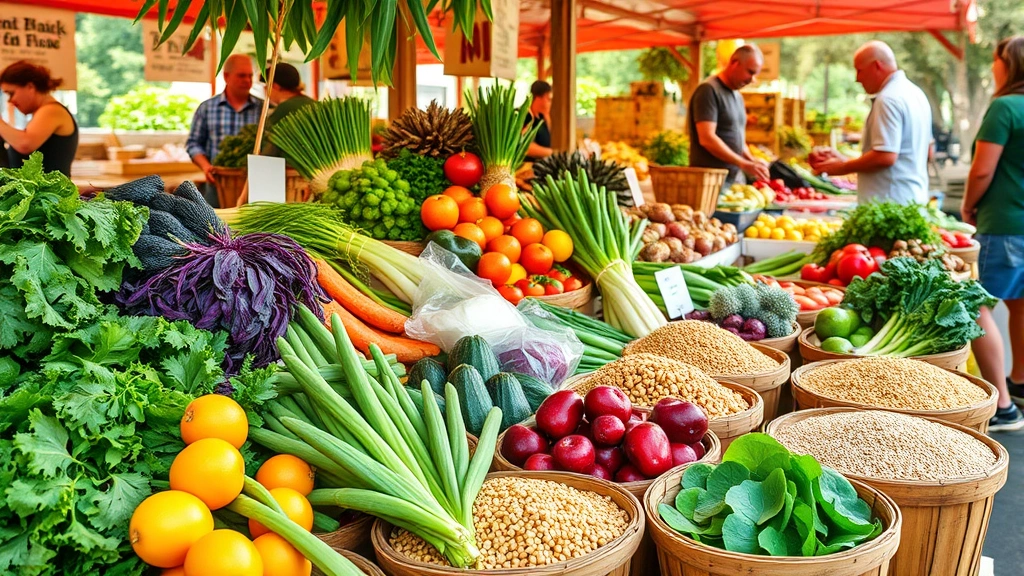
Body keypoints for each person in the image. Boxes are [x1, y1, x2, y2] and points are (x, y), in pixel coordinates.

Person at [960, 36, 1024, 431]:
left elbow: (983, 169)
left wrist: (968, 205)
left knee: (976, 305)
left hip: (1002, 225)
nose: (992, 66)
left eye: (996, 60)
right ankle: (1018, 385)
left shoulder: (1005, 107)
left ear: (1009, 64)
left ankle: (1002, 406)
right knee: (1021, 304)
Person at [809, 41, 932, 205]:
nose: (857, 78)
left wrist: (841, 167)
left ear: (877, 66)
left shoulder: (888, 99)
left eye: (859, 70)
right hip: (910, 197)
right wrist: (844, 159)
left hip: (890, 202)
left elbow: (885, 157)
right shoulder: (915, 93)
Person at [687, 45, 770, 186]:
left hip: (732, 180)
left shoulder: (737, 96)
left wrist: (751, 161)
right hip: (709, 183)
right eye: (750, 72)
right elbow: (707, 138)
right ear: (734, 63)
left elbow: (738, 137)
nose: (753, 80)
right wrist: (742, 163)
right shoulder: (708, 90)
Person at [185, 54, 263, 206]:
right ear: (226, 77)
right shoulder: (207, 108)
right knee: (214, 226)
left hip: (254, 184)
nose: (247, 81)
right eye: (241, 76)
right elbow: (193, 144)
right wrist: (206, 166)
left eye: (250, 76)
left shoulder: (263, 108)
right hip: (217, 183)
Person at [0, 61, 78, 177]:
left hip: (50, 193)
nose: (10, 101)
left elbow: (25, 143)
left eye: (11, 93)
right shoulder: (43, 112)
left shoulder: (52, 110)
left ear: (30, 87)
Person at [261, 63, 315, 159]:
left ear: (275, 86)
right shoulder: (313, 103)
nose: (264, 89)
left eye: (266, 85)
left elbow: (269, 150)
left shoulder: (283, 110)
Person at [524, 80, 553, 161]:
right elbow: (525, 146)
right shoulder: (525, 116)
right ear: (538, 98)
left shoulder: (541, 116)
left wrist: (547, 117)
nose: (550, 103)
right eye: (548, 99)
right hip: (528, 166)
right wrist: (552, 152)